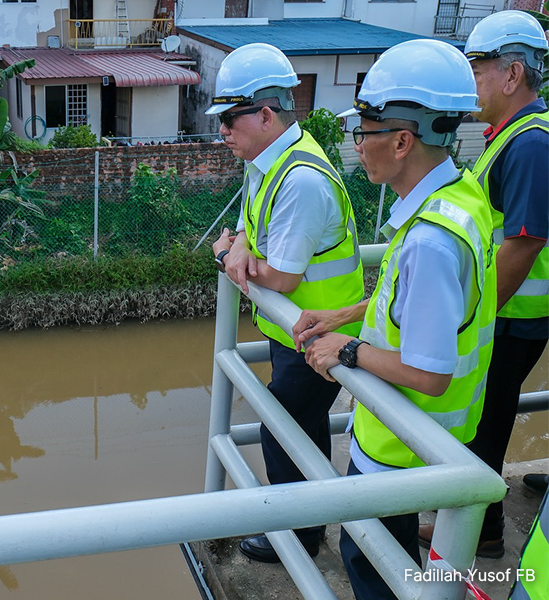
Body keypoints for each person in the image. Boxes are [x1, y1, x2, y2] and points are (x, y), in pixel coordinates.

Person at [293, 39, 496, 600]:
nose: (358, 146)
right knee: (395, 556)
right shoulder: (460, 197)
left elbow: (430, 372)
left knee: (373, 561)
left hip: (401, 444)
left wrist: (347, 350)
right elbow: (424, 303)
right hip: (433, 436)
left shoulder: (429, 240)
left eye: (365, 132)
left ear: (403, 141)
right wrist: (348, 313)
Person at [206, 42, 364, 563]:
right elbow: (251, 229)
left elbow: (281, 277)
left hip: (316, 333)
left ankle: (299, 537)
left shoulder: (301, 180)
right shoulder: (267, 162)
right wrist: (240, 246)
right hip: (292, 332)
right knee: (303, 429)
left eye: (229, 119)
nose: (222, 130)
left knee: (282, 432)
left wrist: (228, 256)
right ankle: (308, 524)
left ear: (265, 114)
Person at [418, 10, 549, 560]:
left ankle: (483, 531)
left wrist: (471, 319)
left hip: (511, 319)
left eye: (476, 69)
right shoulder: (512, 137)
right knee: (484, 420)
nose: (470, 81)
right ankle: (477, 523)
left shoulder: (530, 143)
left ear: (512, 73)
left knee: (485, 425)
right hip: (506, 315)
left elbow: (523, 243)